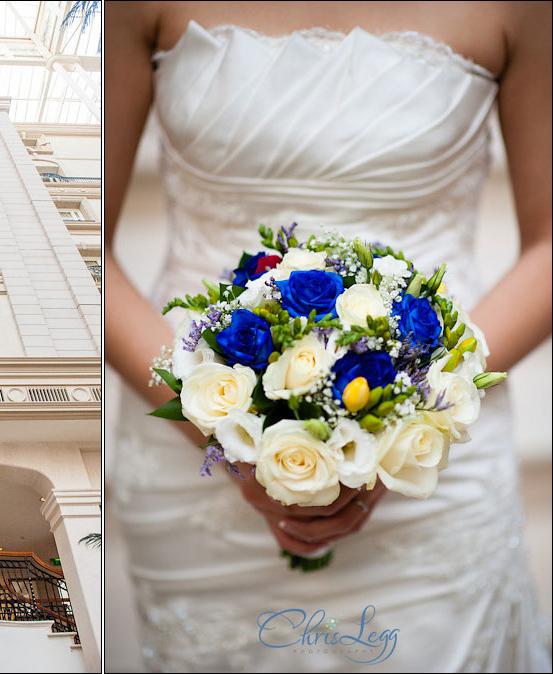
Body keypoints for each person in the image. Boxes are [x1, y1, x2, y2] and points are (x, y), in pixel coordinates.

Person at [105, 2, 551, 671]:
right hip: (188, 449)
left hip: (431, 461)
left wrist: (401, 418)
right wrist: (230, 437)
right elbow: (77, 249)